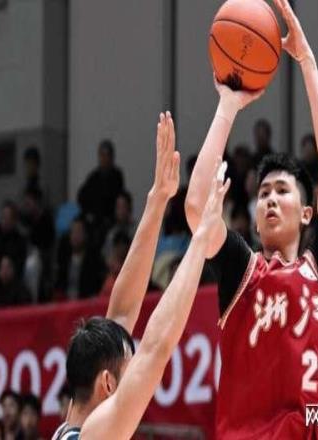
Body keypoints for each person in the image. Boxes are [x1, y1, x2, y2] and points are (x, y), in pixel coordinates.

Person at [185, 1, 318, 437]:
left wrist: (307, 63)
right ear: (254, 221)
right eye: (263, 194)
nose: (271, 200)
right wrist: (227, 106)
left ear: (307, 213)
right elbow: (196, 208)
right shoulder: (243, 269)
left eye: (282, 191)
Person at [52, 113, 229, 439]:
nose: (138, 378)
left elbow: (122, 311)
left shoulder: (71, 426)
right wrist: (202, 238)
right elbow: (155, 349)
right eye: (130, 370)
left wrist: (158, 198)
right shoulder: (93, 436)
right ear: (108, 383)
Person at [55, 217, 106, 300]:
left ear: (85, 235)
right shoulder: (64, 258)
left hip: (84, 303)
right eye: (73, 232)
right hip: (65, 303)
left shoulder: (93, 260)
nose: (75, 236)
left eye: (78, 231)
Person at [77, 139, 124, 229]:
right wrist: (89, 214)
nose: (105, 159)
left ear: (112, 157)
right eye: (102, 155)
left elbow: (119, 198)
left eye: (107, 155)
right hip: (95, 220)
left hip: (111, 220)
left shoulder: (117, 176)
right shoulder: (93, 177)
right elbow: (81, 197)